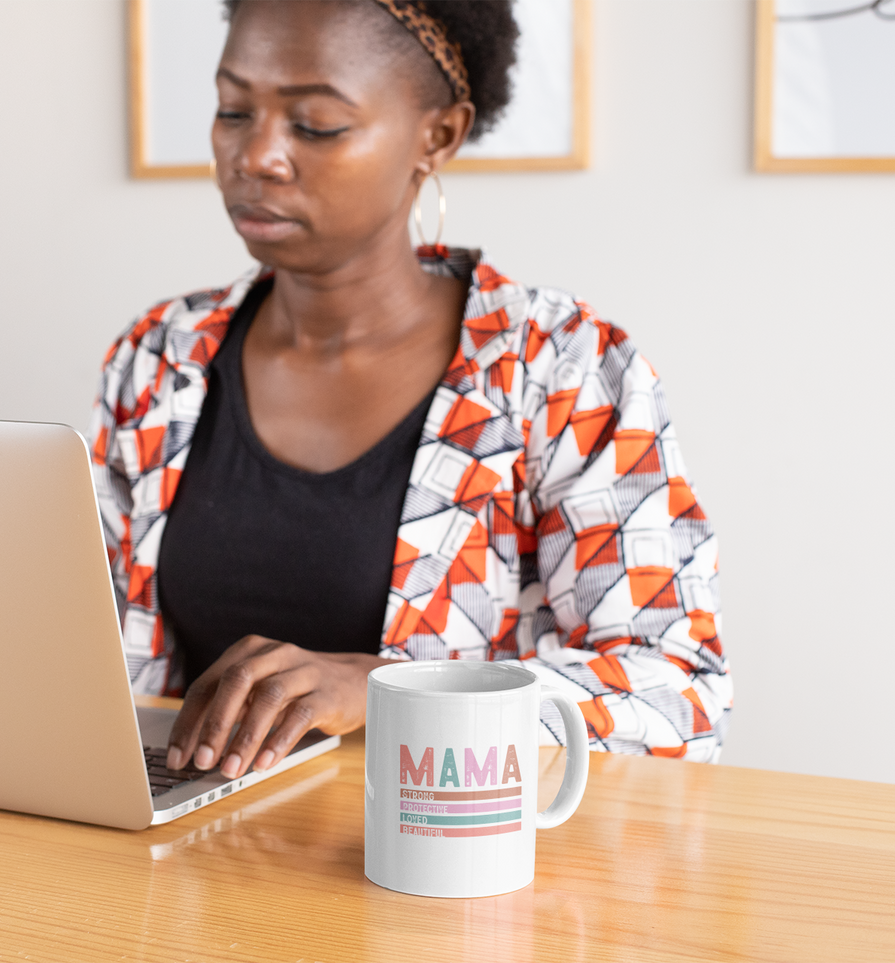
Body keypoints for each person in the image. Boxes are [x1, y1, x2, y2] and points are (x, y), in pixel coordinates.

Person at [91, 0, 730, 782]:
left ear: (437, 136)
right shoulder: (159, 359)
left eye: (315, 123)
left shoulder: (560, 368)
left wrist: (391, 690)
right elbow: (83, 651)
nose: (255, 155)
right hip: (179, 857)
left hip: (446, 874)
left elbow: (681, 699)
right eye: (233, 110)